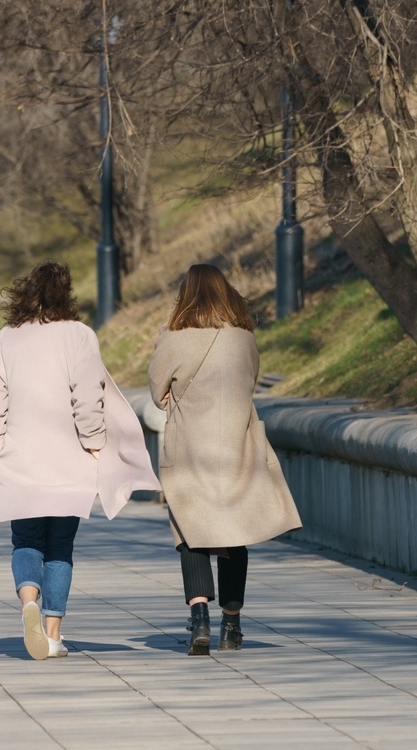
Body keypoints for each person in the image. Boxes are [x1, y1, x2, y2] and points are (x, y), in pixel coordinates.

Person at [0, 261, 161, 660]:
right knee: (60, 546)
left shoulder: (7, 338)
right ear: (66, 294)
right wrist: (93, 442)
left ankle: (28, 605)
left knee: (25, 539)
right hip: (68, 457)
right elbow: (88, 396)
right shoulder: (80, 336)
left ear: (25, 294)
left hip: (18, 458)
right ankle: (53, 635)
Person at [147, 264, 302, 655]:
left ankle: (199, 616)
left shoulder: (174, 337)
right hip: (236, 445)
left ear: (186, 295)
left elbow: (157, 390)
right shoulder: (244, 338)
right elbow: (249, 382)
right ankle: (231, 625)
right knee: (234, 533)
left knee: (191, 536)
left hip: (189, 451)